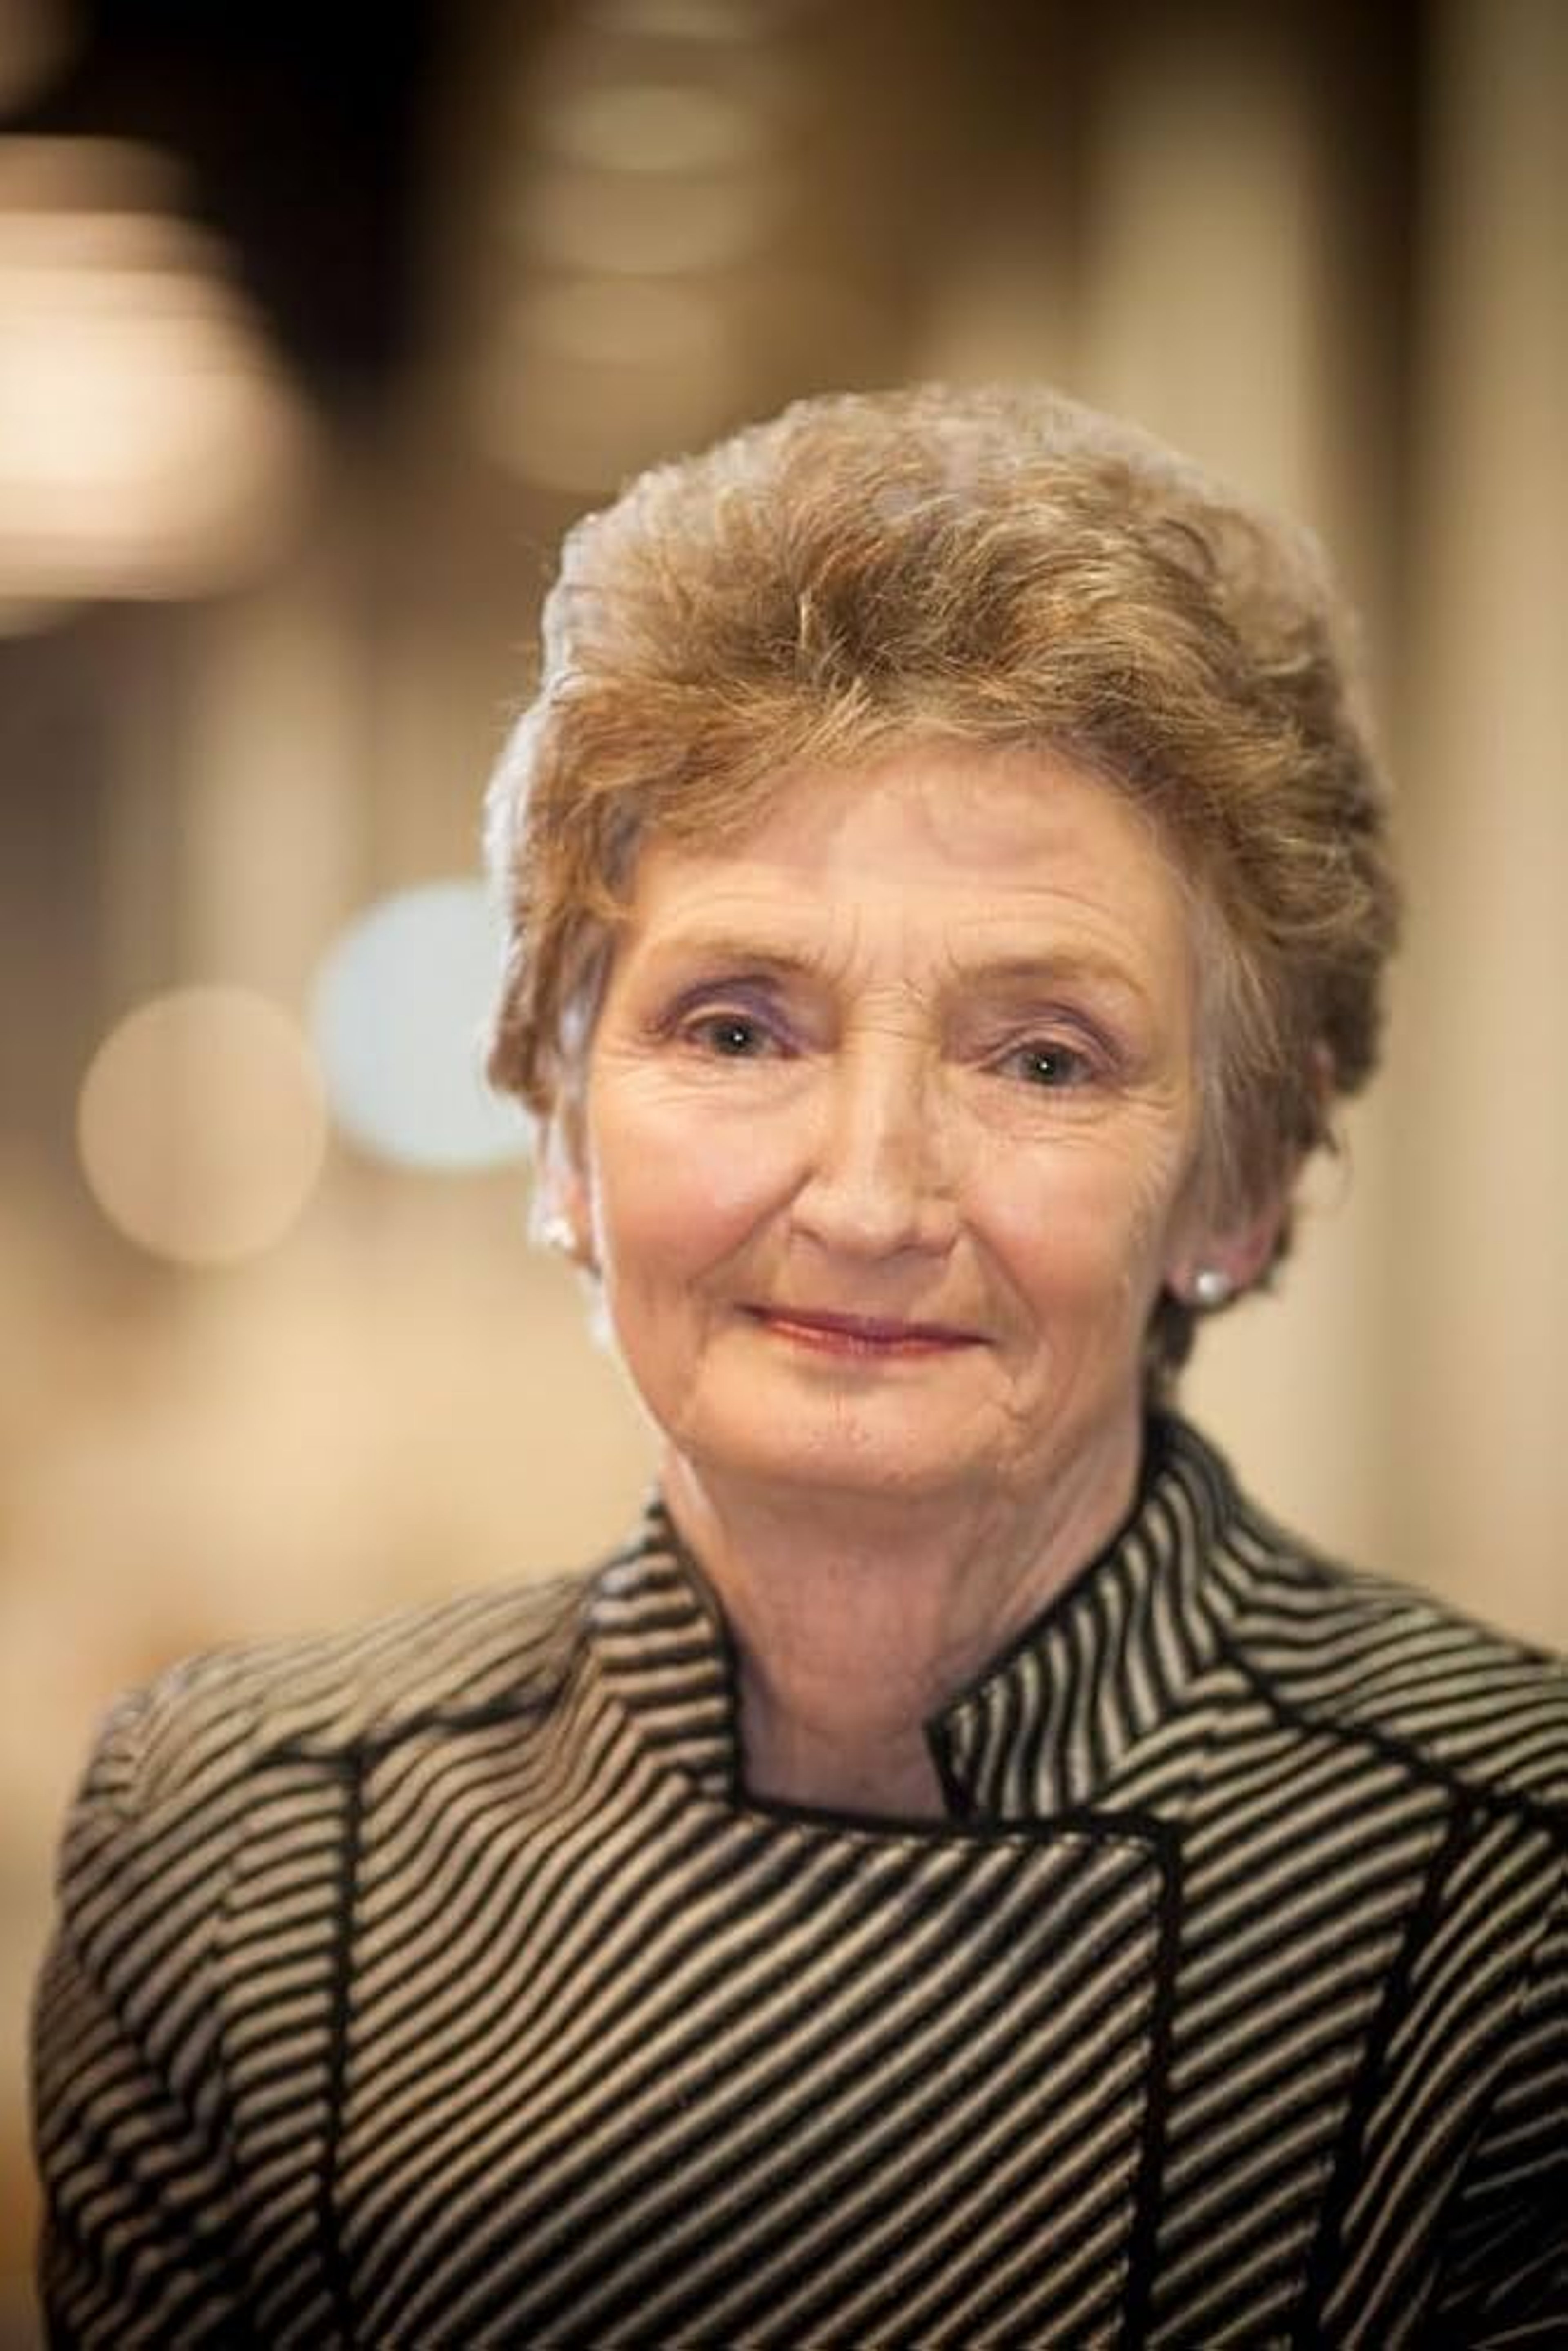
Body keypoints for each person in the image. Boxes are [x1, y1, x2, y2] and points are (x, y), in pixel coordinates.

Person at [32, 385, 1566, 2348]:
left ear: (1246, 1187)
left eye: (1044, 1059)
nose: (865, 1196)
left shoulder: (1510, 1904)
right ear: (560, 1128)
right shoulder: (240, 1852)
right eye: (740, 1029)